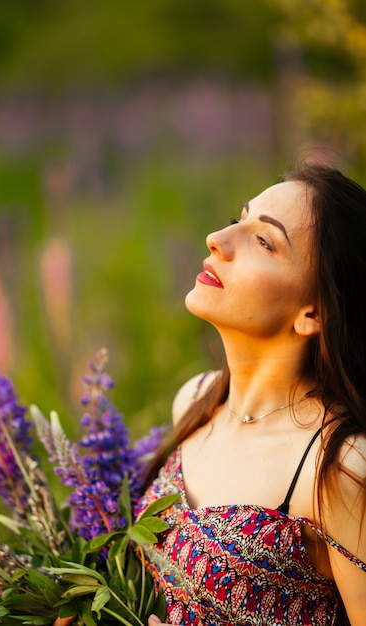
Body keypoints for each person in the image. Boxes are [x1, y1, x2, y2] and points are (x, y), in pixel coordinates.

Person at [135, 162, 366, 625]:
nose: (217, 238)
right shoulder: (197, 400)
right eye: (239, 217)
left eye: (264, 241)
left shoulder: (338, 465)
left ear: (313, 313)